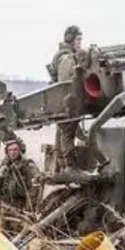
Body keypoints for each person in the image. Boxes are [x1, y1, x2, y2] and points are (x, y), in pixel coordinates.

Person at [49, 25, 84, 171]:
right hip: (67, 102)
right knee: (68, 130)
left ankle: (62, 164)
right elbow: (67, 84)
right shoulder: (67, 58)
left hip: (62, 101)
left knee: (62, 131)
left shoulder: (63, 56)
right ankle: (69, 164)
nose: (79, 43)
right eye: (78, 39)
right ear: (70, 39)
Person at [0, 138, 43, 238]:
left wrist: (29, 210)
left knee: (19, 237)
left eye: (15, 149)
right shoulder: (6, 167)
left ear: (20, 151)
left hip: (20, 208)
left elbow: (36, 187)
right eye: (10, 150)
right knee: (3, 237)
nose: (13, 152)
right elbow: (2, 192)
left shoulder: (28, 166)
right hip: (6, 208)